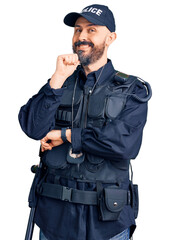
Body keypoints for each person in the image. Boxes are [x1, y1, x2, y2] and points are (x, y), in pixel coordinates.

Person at [19, 4, 152, 240]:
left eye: (91, 30)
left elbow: (123, 145)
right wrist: (57, 78)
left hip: (107, 223)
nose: (81, 36)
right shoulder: (60, 83)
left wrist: (66, 135)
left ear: (110, 38)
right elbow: (32, 127)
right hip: (54, 219)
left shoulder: (132, 90)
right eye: (78, 30)